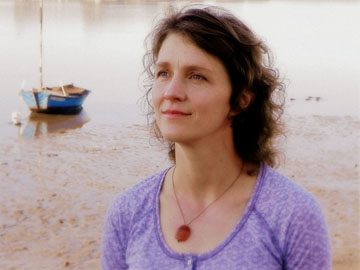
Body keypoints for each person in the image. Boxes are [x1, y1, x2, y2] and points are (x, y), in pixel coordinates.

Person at [102, 5, 331, 270]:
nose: (172, 92)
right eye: (163, 73)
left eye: (196, 76)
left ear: (240, 100)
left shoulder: (292, 216)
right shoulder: (127, 213)